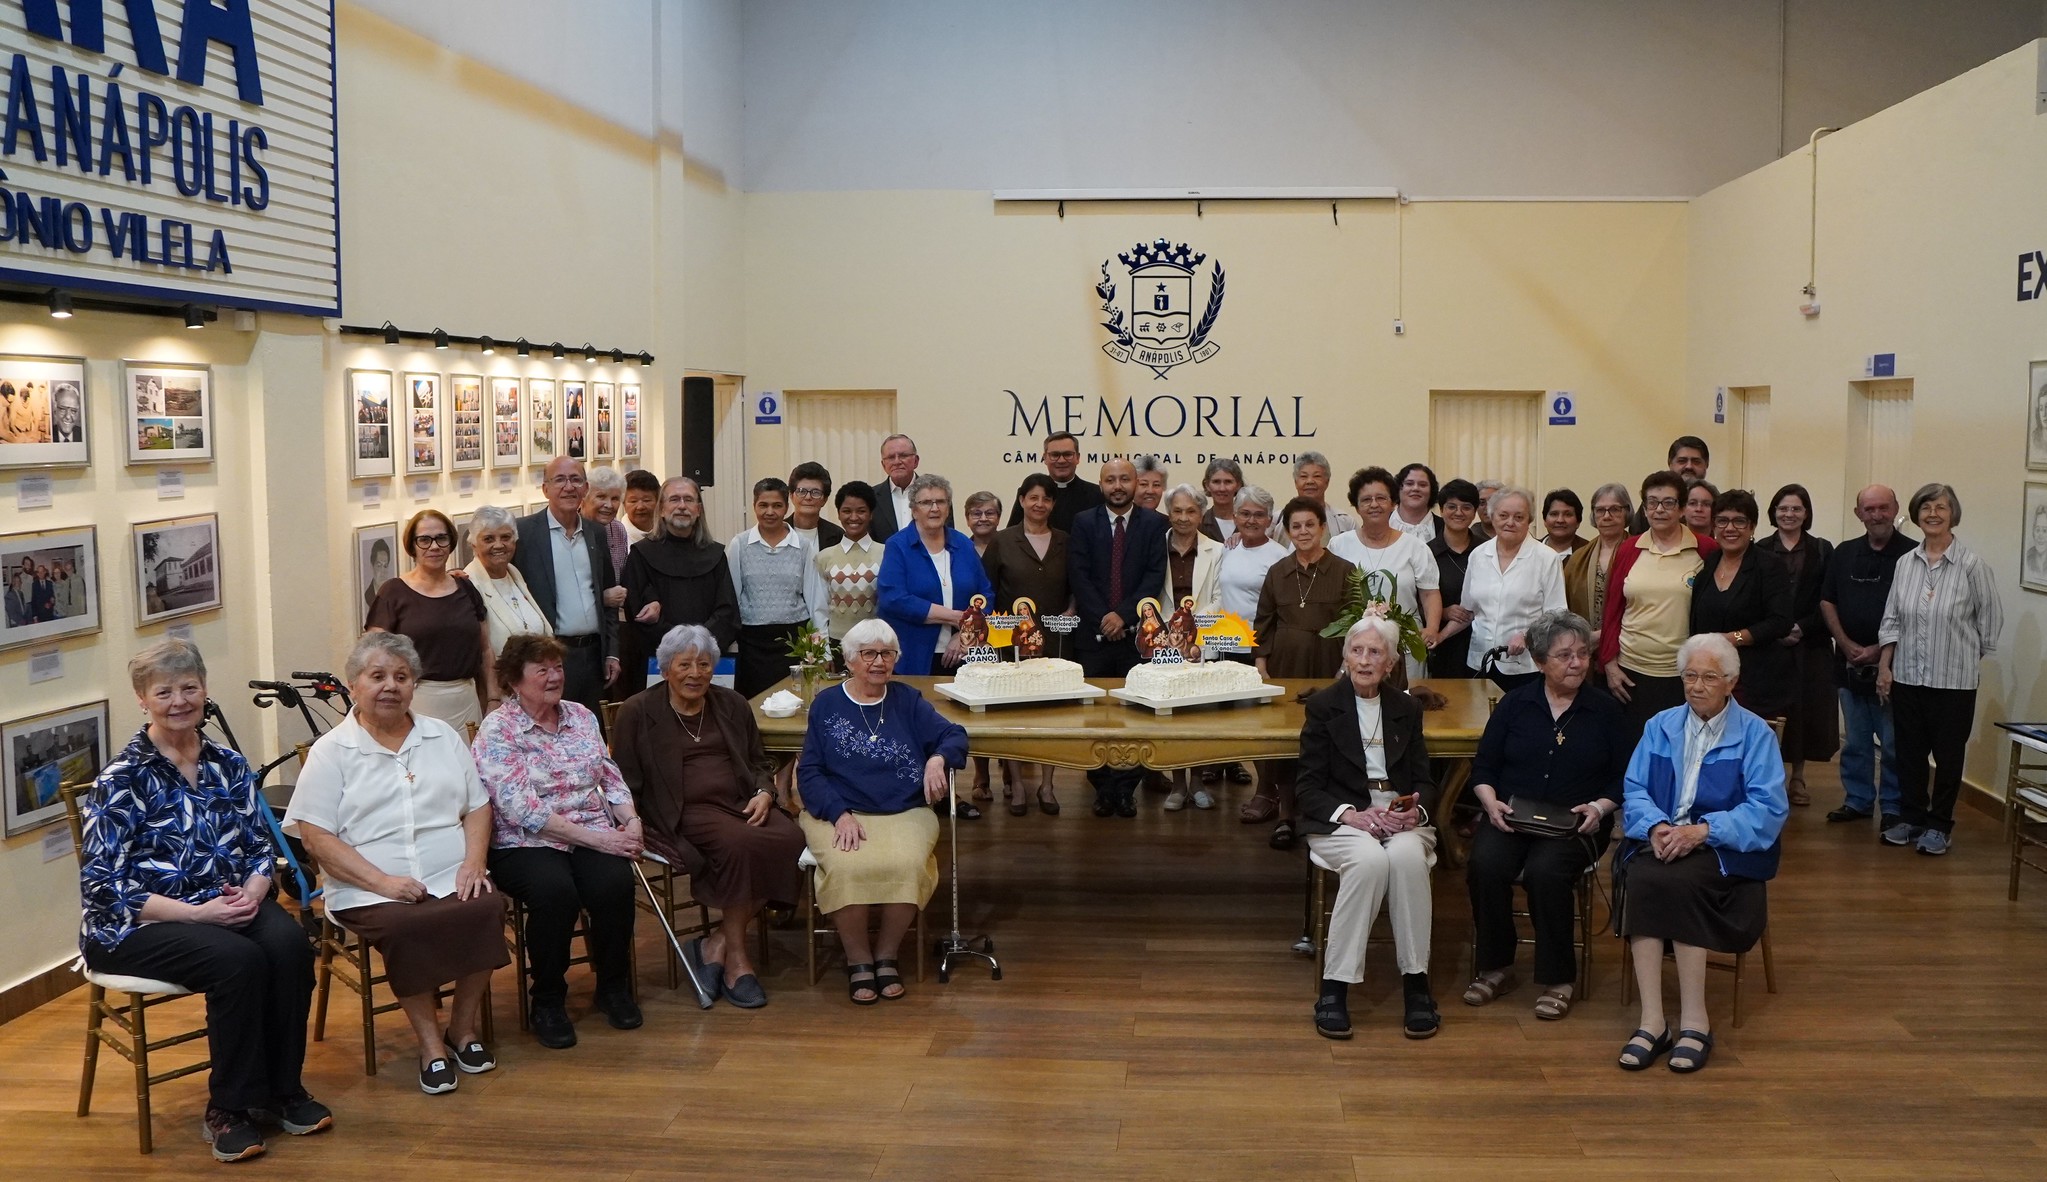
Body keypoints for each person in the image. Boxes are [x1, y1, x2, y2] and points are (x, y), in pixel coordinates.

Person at [80, 640, 329, 1162]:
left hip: (226, 904)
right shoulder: (122, 779)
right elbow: (105, 887)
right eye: (164, 691)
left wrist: (259, 886)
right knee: (236, 962)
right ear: (142, 700)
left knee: (289, 946)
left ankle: (282, 1091)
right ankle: (230, 1109)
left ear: (204, 691)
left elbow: (261, 843)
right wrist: (199, 914)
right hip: (134, 927)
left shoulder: (229, 764)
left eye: (189, 688)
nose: (179, 700)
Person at [285, 633, 507, 1096]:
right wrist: (383, 882)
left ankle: (462, 1030)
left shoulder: (442, 736)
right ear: (352, 685)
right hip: (367, 886)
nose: (391, 686)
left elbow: (479, 806)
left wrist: (474, 862)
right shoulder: (332, 752)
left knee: (486, 908)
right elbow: (316, 837)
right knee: (408, 926)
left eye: (402, 677)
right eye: (378, 676)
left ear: (414, 685)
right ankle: (431, 1046)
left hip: (450, 874)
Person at [1615, 633, 1788, 1074]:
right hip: (1664, 838)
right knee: (1642, 877)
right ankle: (1653, 1022)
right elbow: (1634, 790)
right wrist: (1655, 826)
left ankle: (1696, 1021)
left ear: (1731, 682)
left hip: (1725, 846)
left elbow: (1767, 810)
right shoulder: (1660, 725)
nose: (1696, 686)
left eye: (1708, 677)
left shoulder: (1754, 734)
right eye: (1689, 676)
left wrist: (1702, 832)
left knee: (1681, 880)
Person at [615, 624, 804, 1006]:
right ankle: (737, 960)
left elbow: (757, 761)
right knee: (740, 845)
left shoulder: (731, 704)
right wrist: (631, 824)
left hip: (739, 801)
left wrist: (765, 792)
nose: (695, 674)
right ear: (666, 669)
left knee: (791, 839)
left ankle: (715, 943)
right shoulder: (638, 711)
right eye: (684, 665)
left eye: (704, 664)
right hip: (679, 810)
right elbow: (623, 780)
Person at [473, 634, 643, 1045]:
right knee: (555, 892)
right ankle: (547, 999)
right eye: (542, 670)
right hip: (525, 842)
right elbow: (522, 810)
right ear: (515, 680)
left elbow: (609, 775)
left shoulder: (581, 716)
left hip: (589, 830)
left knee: (614, 883)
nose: (554, 677)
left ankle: (613, 987)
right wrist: (601, 841)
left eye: (558, 668)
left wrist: (631, 820)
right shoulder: (498, 730)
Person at [1462, 612, 1626, 1020]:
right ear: (1539, 661)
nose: (1576, 663)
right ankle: (1497, 966)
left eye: (1582, 654)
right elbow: (1483, 768)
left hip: (1577, 822)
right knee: (1484, 863)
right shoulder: (1516, 704)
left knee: (1545, 872)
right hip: (1513, 816)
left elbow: (1626, 778)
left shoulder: (1606, 711)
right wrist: (1489, 802)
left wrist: (1600, 807)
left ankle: (1559, 978)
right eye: (1564, 656)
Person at [796, 618, 968, 1004]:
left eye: (887, 653)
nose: (879, 662)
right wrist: (839, 813)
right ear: (850, 659)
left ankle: (887, 955)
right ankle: (858, 959)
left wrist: (938, 759)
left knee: (907, 863)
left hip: (905, 809)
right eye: (869, 653)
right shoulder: (826, 703)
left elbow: (953, 733)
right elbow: (809, 771)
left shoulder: (907, 700)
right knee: (847, 865)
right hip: (841, 810)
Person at [1296, 617, 1438, 1040]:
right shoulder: (1323, 707)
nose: (1364, 660)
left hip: (1398, 818)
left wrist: (1417, 811)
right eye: (1357, 651)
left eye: (1375, 652)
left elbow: (1425, 780)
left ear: (1391, 663)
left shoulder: (1406, 708)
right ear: (1345, 657)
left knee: (1409, 858)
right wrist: (1352, 815)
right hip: (1344, 820)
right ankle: (1334, 989)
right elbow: (1307, 787)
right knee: (1370, 861)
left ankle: (1417, 985)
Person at [1878, 483, 2003, 856]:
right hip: (1908, 677)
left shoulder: (1972, 565)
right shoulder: (1905, 563)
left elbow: (1990, 622)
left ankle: (1940, 826)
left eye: (1941, 507)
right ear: (1916, 514)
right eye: (1926, 507)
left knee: (1948, 758)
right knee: (1909, 754)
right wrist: (1886, 667)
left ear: (1953, 514)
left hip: (1954, 683)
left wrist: (1960, 657)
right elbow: (1892, 619)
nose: (1933, 513)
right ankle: (1912, 818)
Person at [1250, 497, 1357, 848]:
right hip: (1286, 666)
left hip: (1330, 666)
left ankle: (1325, 814)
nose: (1303, 532)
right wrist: (1261, 665)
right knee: (1286, 741)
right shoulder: (1277, 571)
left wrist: (1346, 667)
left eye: (1310, 524)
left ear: (1323, 527)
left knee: (1325, 739)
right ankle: (1285, 816)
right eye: (1296, 526)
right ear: (1287, 531)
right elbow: (1263, 622)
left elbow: (1356, 623)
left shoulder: (1344, 570)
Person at [1067, 459, 1169, 817]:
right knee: (1094, 716)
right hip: (1091, 636)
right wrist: (1103, 618)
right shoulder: (1083, 522)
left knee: (1135, 715)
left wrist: (1123, 616)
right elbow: (1078, 575)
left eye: (1125, 479)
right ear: (1101, 483)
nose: (1118, 486)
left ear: (1137, 482)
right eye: (1110, 480)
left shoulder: (1156, 524)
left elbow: (1154, 577)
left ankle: (1126, 789)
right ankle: (1102, 787)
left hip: (1136, 637)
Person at [1820, 485, 1915, 828]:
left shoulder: (1913, 555)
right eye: (1869, 509)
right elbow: (1827, 600)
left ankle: (1893, 806)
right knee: (1857, 743)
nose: (1877, 515)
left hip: (1894, 666)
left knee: (1892, 745)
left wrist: (1879, 649)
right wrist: (1845, 644)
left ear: (1895, 509)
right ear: (1858, 513)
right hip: (1847, 664)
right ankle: (1858, 800)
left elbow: (1914, 612)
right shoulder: (1843, 553)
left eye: (1883, 508)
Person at [1599, 471, 1719, 736]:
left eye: (1668, 503)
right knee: (1634, 750)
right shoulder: (1629, 549)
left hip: (1682, 674)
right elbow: (1613, 610)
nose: (1659, 510)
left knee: (1676, 750)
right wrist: (1609, 664)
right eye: (1652, 502)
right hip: (1630, 672)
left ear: (1683, 508)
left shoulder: (1706, 550)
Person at [984, 472, 1073, 815]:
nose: (1039, 504)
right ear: (1021, 500)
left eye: (1046, 499)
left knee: (1052, 714)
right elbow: (987, 590)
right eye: (1033, 497)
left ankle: (1047, 786)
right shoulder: (1002, 541)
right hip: (1010, 645)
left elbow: (1076, 584)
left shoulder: (1065, 540)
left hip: (1055, 639)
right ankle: (1018, 786)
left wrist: (1072, 610)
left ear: (1053, 504)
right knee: (1013, 715)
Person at [512, 458, 620, 718]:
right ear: (545, 489)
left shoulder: (597, 533)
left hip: (593, 657)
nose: (569, 487)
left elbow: (608, 598)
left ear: (585, 488)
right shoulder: (524, 533)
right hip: (547, 656)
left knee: (589, 735)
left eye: (576, 480)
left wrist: (612, 653)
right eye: (559, 480)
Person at [366, 509, 491, 728]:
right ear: (412, 546)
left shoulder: (466, 588)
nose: (434, 546)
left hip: (466, 704)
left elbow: (485, 650)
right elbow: (372, 657)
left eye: (441, 538)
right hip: (416, 704)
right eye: (424, 540)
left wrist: (493, 698)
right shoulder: (393, 592)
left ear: (451, 542)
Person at [1757, 484, 1838, 806]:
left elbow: (1828, 596)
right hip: (1770, 644)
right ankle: (1769, 779)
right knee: (1771, 712)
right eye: (1783, 508)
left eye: (1796, 509)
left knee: (1804, 712)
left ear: (1806, 514)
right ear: (1773, 513)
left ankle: (1799, 778)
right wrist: (1776, 628)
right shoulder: (1761, 548)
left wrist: (1801, 627)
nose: (1789, 514)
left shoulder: (1821, 549)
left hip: (1811, 644)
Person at [1328, 466, 1442, 683]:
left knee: (1406, 701)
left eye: (1381, 498)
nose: (1374, 505)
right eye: (1366, 499)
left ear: (1393, 503)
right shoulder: (1339, 544)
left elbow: (1430, 593)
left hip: (1406, 641)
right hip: (1359, 648)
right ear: (1356, 506)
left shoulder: (1414, 546)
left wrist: (1432, 628)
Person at [1688, 489, 1794, 722]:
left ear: (1752, 527)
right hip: (1711, 677)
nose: (1730, 528)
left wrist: (1733, 638)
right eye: (1722, 521)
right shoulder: (1708, 564)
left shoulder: (1770, 565)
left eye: (1739, 521)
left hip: (1755, 680)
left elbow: (1781, 622)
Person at [878, 473, 995, 682]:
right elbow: (893, 598)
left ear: (948, 508)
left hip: (964, 654)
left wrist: (964, 633)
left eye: (940, 501)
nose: (934, 508)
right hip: (913, 656)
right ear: (913, 510)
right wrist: (954, 617)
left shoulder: (964, 545)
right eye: (925, 503)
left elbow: (985, 594)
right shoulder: (898, 546)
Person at [625, 476, 741, 671]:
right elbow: (637, 613)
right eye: (674, 499)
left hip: (707, 659)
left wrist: (699, 645)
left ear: (698, 510)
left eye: (688, 499)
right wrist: (678, 648)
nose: (681, 506)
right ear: (661, 509)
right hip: (658, 660)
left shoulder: (716, 555)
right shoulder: (641, 555)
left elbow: (727, 611)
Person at [1460, 485, 1566, 690]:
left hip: (1526, 665)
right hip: (1480, 661)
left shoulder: (1547, 558)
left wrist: (1527, 635)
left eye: (1519, 517)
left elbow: (1557, 614)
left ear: (1529, 521)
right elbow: (1468, 609)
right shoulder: (1478, 555)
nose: (1510, 522)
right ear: (1492, 516)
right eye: (1503, 515)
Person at [726, 476, 822, 700]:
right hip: (752, 642)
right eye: (763, 505)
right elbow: (732, 597)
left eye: (777, 505)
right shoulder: (740, 544)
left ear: (787, 507)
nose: (770, 512)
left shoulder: (803, 546)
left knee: (794, 700)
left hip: (793, 641)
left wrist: (819, 648)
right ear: (754, 506)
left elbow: (814, 598)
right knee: (754, 704)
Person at [465, 505, 553, 688]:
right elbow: (478, 654)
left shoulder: (514, 573)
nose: (499, 545)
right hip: (500, 692)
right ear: (474, 544)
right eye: (488, 539)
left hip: (534, 688)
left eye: (506, 537)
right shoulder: (468, 585)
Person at [960, 488, 1006, 800]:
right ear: (966, 518)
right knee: (978, 705)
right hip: (967, 638)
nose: (983, 518)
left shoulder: (1009, 543)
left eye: (989, 512)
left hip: (1005, 634)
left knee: (1004, 704)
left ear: (999, 517)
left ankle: (1014, 770)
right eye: (976, 513)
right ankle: (981, 773)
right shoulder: (959, 548)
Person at [812, 480, 884, 646]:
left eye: (861, 511)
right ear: (838, 513)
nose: (853, 517)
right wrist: (823, 651)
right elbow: (819, 609)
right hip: (836, 643)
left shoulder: (887, 553)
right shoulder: (824, 557)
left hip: (875, 642)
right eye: (846, 511)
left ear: (871, 514)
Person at [1563, 483, 1632, 647]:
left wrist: (1605, 634)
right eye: (1600, 510)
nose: (1607, 516)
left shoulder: (1639, 553)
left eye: (1614, 509)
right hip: (1585, 646)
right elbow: (1564, 606)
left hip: (1628, 646)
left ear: (1626, 512)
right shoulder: (1578, 558)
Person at [1426, 479, 1482, 678]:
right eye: (1451, 506)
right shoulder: (1426, 552)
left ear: (1475, 512)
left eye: (1466, 507)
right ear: (1441, 510)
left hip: (1482, 640)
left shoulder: (1487, 551)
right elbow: (1416, 597)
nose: (1459, 512)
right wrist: (1442, 612)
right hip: (1443, 646)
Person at [1008, 430, 1101, 531]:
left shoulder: (1096, 494)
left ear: (1077, 458)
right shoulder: (1027, 493)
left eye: (1068, 454)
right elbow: (1012, 537)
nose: (1061, 460)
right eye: (1055, 455)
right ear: (1045, 458)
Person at [871, 434, 949, 541]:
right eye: (890, 457)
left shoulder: (937, 493)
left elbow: (947, 534)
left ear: (916, 461)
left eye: (903, 456)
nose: (897, 461)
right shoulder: (871, 497)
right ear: (883, 465)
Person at [1628, 436, 1711, 533]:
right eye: (1682, 461)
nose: (1689, 466)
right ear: (1670, 463)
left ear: (1706, 464)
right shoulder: (1653, 504)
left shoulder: (1715, 499)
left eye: (1696, 462)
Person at [1293, 452, 1358, 539]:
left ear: (1327, 481)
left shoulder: (1345, 522)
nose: (1310, 481)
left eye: (1317, 476)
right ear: (1296, 482)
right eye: (1304, 476)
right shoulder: (1278, 521)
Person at [788, 460, 845, 548]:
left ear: (825, 499)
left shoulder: (838, 536)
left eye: (815, 492)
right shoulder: (776, 531)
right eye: (801, 491)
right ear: (791, 496)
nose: (808, 497)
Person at [1390, 462, 1442, 543]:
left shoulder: (1444, 528)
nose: (1415, 488)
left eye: (1422, 485)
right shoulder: (1381, 524)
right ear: (1398, 488)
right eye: (1409, 484)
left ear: (1431, 491)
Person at [1200, 458, 1243, 541]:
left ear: (1238, 485)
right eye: (1216, 482)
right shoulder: (1199, 523)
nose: (1222, 488)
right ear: (1207, 485)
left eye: (1228, 482)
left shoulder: (1249, 523)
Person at [1540, 488, 1587, 554]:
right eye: (1554, 514)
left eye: (1568, 514)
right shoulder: (1529, 550)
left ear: (1578, 522)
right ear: (1545, 520)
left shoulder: (1589, 552)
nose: (1560, 520)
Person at [621, 468, 661, 543]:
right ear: (624, 503)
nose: (640, 507)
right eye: (633, 501)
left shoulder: (669, 533)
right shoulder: (616, 537)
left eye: (647, 500)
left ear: (658, 501)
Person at [361, 537, 394, 624]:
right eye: (379, 565)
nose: (383, 571)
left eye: (385, 566)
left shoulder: (394, 594)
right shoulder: (368, 595)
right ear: (372, 566)